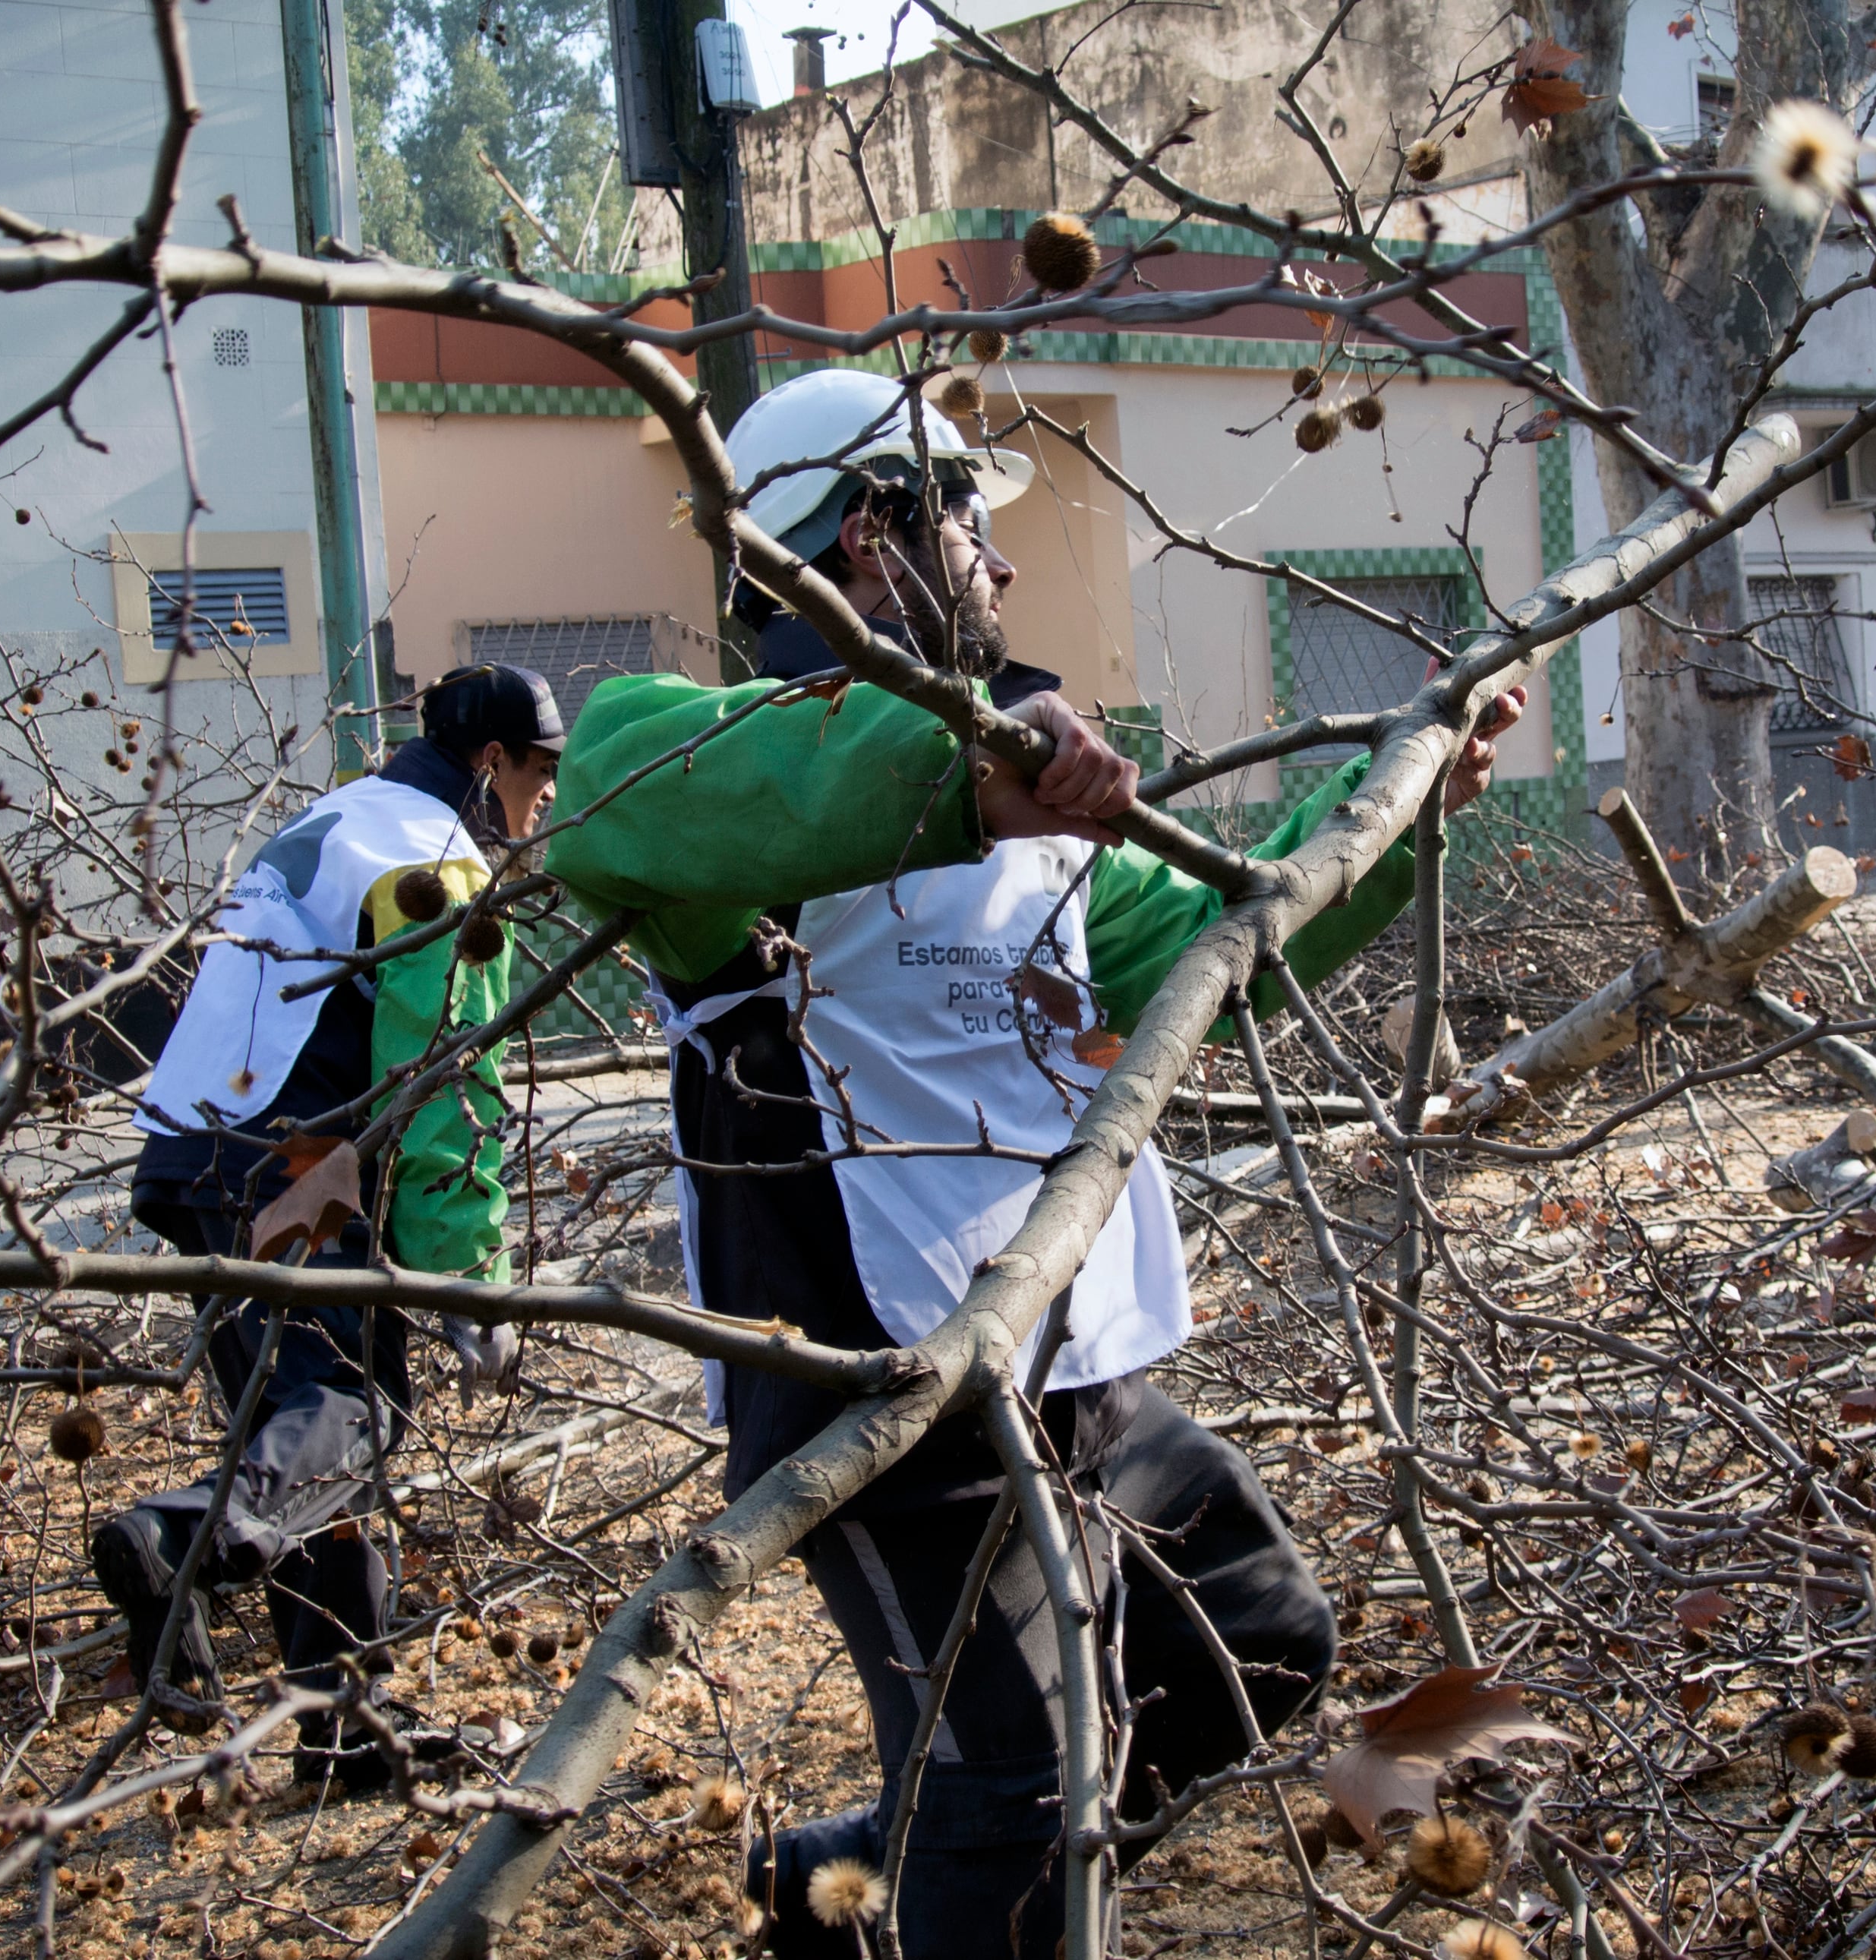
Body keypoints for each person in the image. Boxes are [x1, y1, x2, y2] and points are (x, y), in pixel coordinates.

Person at [544, 368, 1521, 1956]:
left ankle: (850, 1877)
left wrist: (1393, 812)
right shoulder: (748, 792)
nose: (997, 566)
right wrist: (953, 776)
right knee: (1023, 1774)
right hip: (888, 1398)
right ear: (871, 535)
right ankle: (972, 1874)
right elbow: (613, 786)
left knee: (1255, 1642)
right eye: (969, 524)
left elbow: (1212, 945)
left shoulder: (1044, 818)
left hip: (1072, 1368)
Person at [101, 664, 564, 1788]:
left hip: (197, 1141)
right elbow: (445, 1080)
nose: (546, 803)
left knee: (306, 1442)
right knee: (355, 1408)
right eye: (540, 775)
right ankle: (173, 1538)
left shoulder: (335, 819)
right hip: (287, 1151)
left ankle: (345, 1730)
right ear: (491, 762)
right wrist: (473, 1278)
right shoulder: (435, 867)